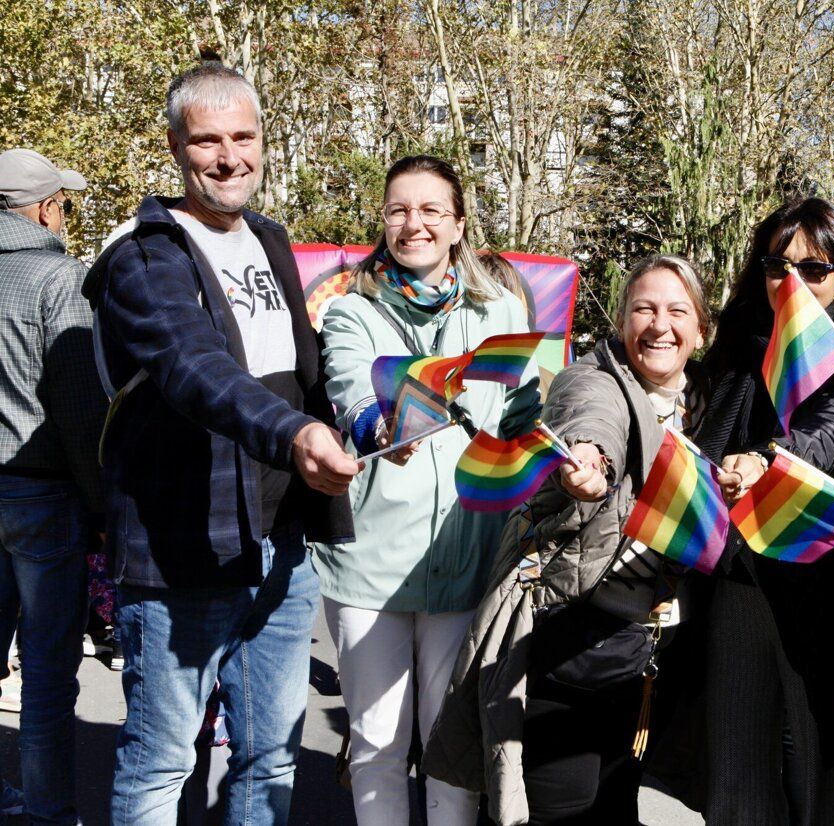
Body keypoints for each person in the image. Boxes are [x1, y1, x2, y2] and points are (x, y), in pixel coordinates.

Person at [83, 61, 358, 825]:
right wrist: (298, 433)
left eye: (244, 136)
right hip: (183, 550)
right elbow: (194, 368)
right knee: (162, 764)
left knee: (268, 757)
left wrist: (359, 427)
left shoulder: (269, 239)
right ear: (175, 145)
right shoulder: (143, 255)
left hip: (280, 545)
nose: (229, 156)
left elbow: (296, 376)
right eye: (208, 140)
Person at [422, 254, 712, 826]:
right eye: (643, 309)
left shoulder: (706, 403)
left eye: (677, 311)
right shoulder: (595, 378)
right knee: (562, 808)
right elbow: (592, 418)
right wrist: (590, 461)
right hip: (572, 647)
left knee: (616, 805)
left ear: (700, 330)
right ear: (621, 320)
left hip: (645, 659)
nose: (659, 325)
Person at [311, 154, 538, 826]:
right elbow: (349, 383)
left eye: (431, 210)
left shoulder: (500, 312)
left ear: (458, 224)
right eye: (399, 211)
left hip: (466, 567)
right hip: (370, 570)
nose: (415, 224)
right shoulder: (353, 310)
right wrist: (375, 422)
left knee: (450, 750)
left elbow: (524, 416)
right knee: (377, 747)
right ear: (383, 222)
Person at [693, 197, 834, 824]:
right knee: (734, 772)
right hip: (740, 577)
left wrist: (769, 459)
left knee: (826, 770)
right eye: (778, 266)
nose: (793, 282)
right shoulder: (740, 342)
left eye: (814, 268)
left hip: (822, 582)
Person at [0, 147, 104, 824]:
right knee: (44, 669)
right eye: (62, 203)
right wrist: (103, 505)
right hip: (40, 493)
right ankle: (44, 809)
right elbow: (79, 405)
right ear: (43, 209)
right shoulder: (59, 278)